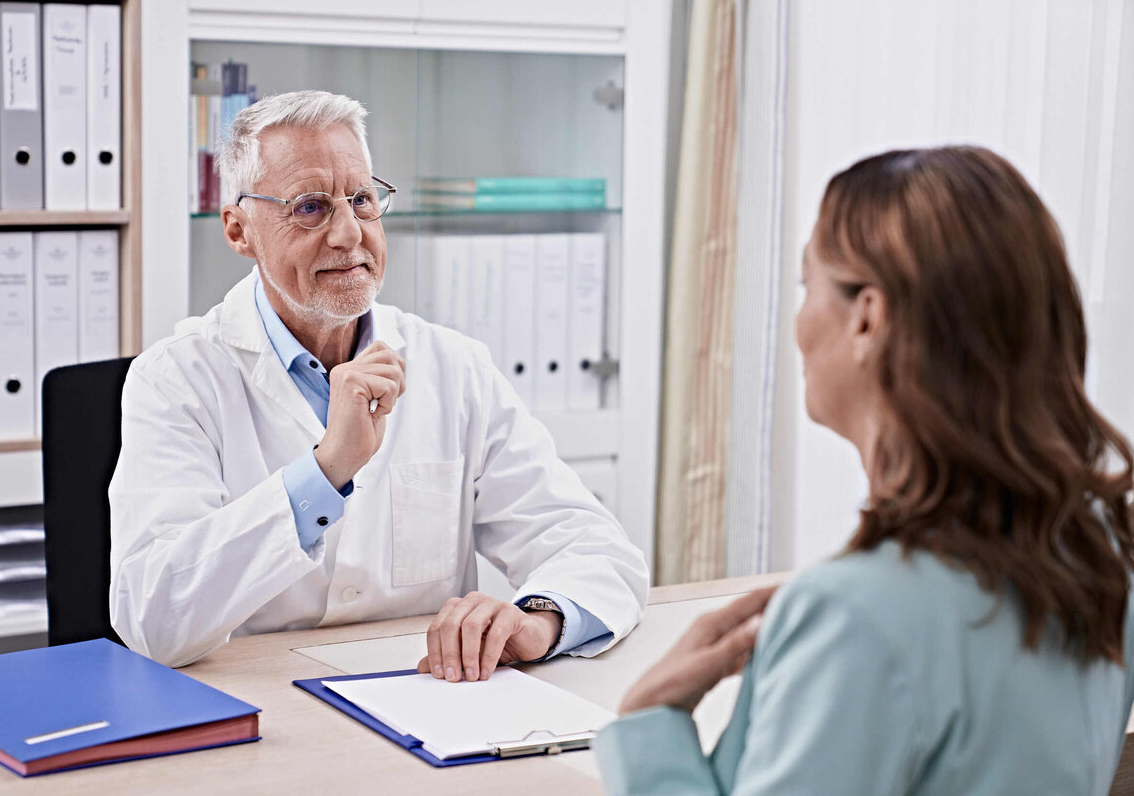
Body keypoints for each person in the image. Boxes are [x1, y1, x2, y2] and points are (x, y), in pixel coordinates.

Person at [595, 146, 1134, 794]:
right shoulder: (1099, 554)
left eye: (806, 287)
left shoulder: (856, 615)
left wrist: (650, 725)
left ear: (867, 317)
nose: (798, 322)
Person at [108, 90, 648, 671]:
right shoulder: (176, 380)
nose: (349, 234)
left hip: (423, 705)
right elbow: (153, 618)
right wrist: (323, 472)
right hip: (255, 715)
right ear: (240, 231)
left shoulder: (454, 367)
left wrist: (541, 620)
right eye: (310, 207)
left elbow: (594, 546)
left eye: (362, 199)